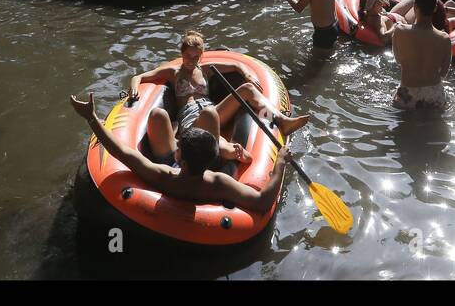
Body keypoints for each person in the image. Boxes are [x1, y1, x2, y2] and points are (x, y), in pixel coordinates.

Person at [70, 91, 293, 214]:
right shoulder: (218, 183)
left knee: (159, 116)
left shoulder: (165, 176)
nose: (176, 148)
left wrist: (91, 118)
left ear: (181, 160)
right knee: (189, 115)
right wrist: (280, 162)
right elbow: (263, 202)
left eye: (179, 148)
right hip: (200, 174)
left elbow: (121, 152)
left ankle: (179, 125)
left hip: (178, 178)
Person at [125, 31, 309, 166]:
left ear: (201, 56)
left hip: (212, 110)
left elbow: (236, 65)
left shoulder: (206, 69)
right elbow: (139, 77)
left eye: (196, 57)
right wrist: (134, 90)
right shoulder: (172, 72)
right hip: (190, 118)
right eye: (188, 56)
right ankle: (228, 151)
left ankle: (280, 120)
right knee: (208, 125)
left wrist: (248, 75)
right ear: (182, 53)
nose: (191, 60)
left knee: (247, 89)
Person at [391, 0, 452, 111]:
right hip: (434, 96)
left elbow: (398, 60)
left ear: (414, 7)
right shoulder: (445, 38)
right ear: (435, 8)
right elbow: (444, 73)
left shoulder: (400, 31)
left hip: (408, 94)